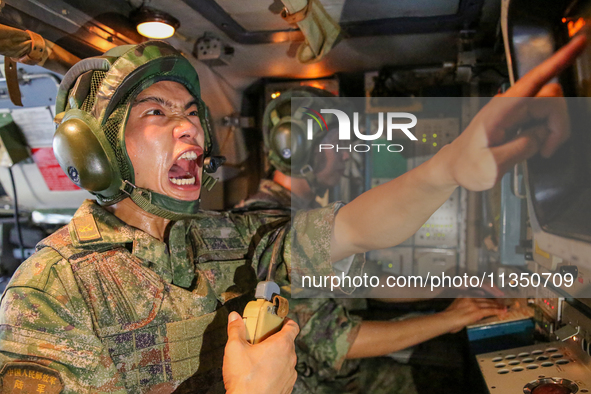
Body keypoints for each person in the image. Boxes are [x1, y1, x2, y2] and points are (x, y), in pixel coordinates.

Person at [0, 32, 585, 394]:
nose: (187, 126)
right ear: (92, 151)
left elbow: (354, 230)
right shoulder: (50, 293)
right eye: (155, 111)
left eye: (189, 111)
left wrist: (448, 170)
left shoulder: (225, 236)